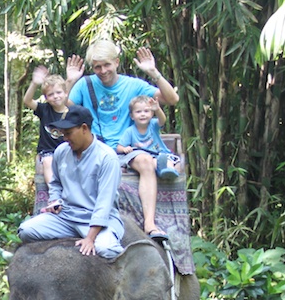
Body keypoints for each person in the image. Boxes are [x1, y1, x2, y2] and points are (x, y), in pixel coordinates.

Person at [66, 40, 179, 239]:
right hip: (95, 147)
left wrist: (154, 73)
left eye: (106, 65)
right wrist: (69, 81)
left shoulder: (132, 85)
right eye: (97, 67)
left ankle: (150, 224)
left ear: (116, 62)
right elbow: (62, 111)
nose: (102, 71)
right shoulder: (86, 84)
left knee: (145, 160)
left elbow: (172, 99)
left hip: (126, 148)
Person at [17, 106, 124, 259]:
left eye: (68, 133)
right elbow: (55, 183)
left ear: (84, 128)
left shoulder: (107, 158)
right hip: (67, 216)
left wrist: (90, 238)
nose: (65, 138)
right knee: (26, 230)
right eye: (63, 134)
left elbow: (104, 203)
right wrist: (55, 200)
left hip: (97, 220)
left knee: (105, 249)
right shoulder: (61, 151)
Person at [115, 95, 183, 234]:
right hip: (143, 158)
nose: (143, 114)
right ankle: (163, 167)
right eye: (138, 112)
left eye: (146, 111)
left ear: (151, 114)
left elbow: (162, 120)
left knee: (170, 160)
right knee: (152, 162)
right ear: (132, 116)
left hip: (159, 155)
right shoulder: (130, 131)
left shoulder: (153, 125)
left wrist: (157, 109)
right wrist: (125, 149)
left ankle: (166, 168)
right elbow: (119, 147)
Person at [23, 66, 69, 212]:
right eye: (51, 94)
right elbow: (27, 100)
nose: (55, 96)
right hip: (48, 151)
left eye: (58, 92)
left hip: (68, 151)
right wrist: (35, 83)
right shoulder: (44, 109)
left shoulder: (72, 112)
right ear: (46, 97)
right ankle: (54, 196)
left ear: (65, 93)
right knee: (48, 162)